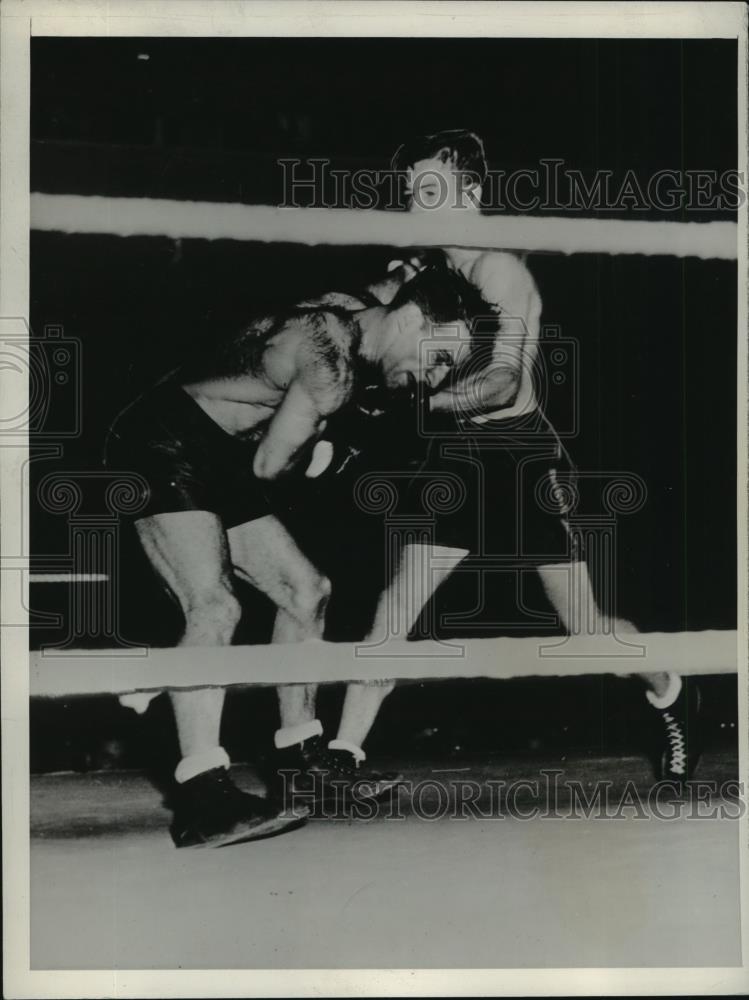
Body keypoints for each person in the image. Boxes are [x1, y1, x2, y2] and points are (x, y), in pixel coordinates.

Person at [347, 128, 700, 788]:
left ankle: (671, 692)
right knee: (394, 607)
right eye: (408, 190)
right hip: (460, 457)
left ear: (470, 190)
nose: (414, 201)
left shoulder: (499, 270)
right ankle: (341, 757)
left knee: (587, 635)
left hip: (519, 456)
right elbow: (366, 323)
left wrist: (417, 404)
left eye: (429, 188)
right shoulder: (424, 270)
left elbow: (503, 382)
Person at [104, 266, 471, 846]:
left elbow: (366, 293)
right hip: (164, 440)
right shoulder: (330, 367)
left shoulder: (354, 313)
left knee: (307, 591)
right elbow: (271, 469)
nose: (435, 375)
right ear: (411, 320)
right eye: (441, 356)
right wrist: (329, 445)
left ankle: (303, 769)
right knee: (214, 605)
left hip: (218, 451)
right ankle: (202, 794)